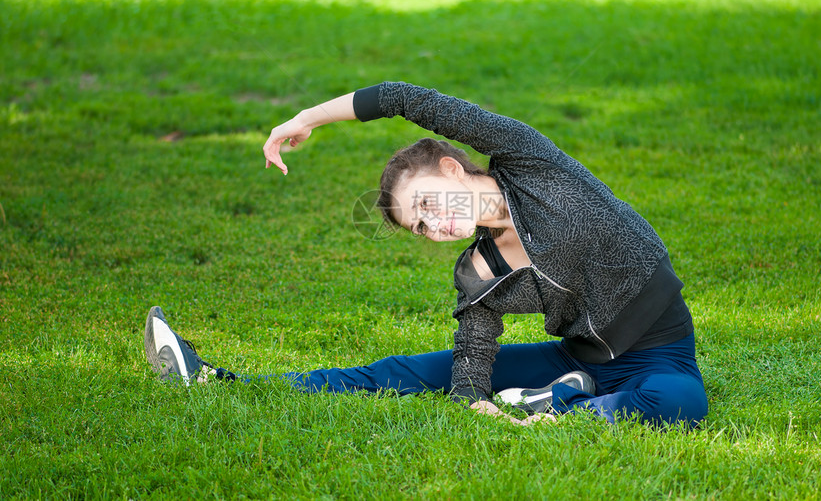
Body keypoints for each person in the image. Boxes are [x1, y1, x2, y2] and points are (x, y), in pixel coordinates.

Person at [144, 82, 708, 427]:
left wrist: (307, 118)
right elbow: (473, 354)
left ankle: (562, 406)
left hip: (661, 349)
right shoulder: (477, 271)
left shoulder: (532, 163)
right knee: (406, 372)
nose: (435, 224)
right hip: (581, 358)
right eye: (421, 225)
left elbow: (403, 98)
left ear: (450, 169)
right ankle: (219, 380)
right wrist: (471, 402)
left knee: (681, 400)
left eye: (427, 204)